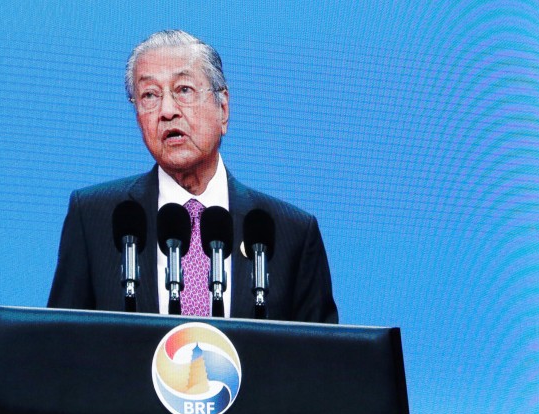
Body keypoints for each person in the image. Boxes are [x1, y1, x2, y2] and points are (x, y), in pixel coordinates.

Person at [47, 30, 338, 323]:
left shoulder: (292, 233)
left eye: (184, 90)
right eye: (149, 95)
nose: (167, 111)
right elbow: (59, 347)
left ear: (223, 108)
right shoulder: (95, 218)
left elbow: (322, 360)